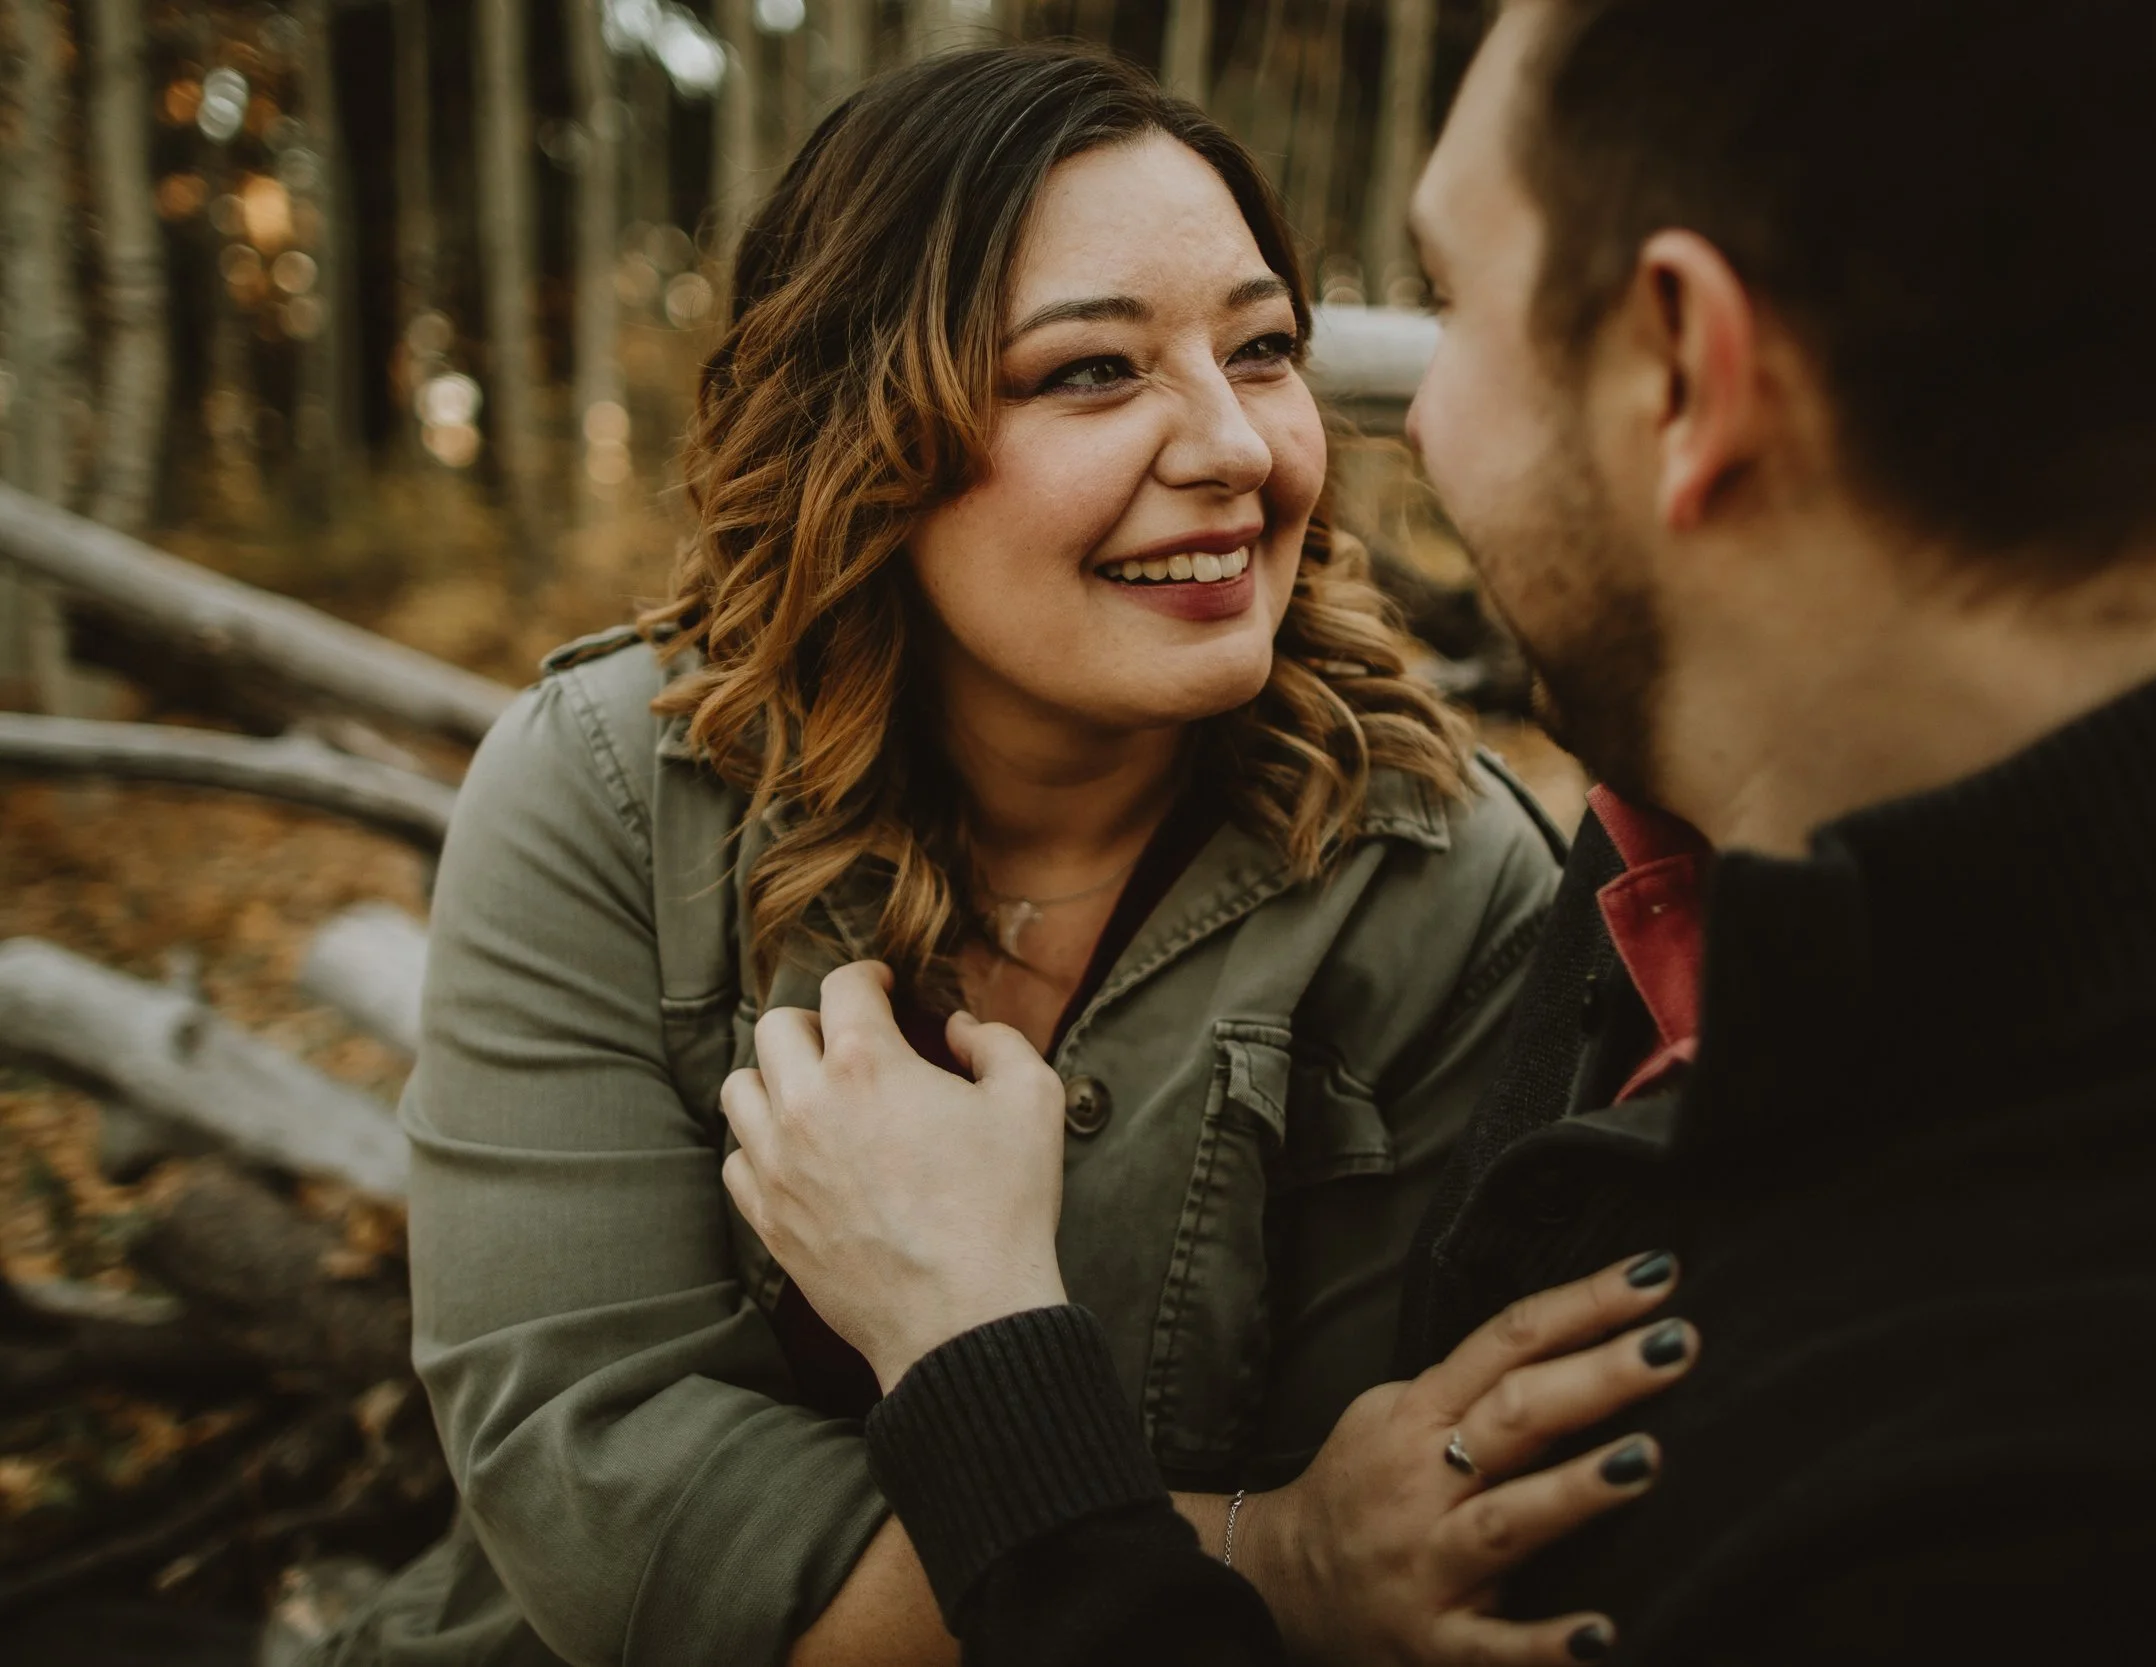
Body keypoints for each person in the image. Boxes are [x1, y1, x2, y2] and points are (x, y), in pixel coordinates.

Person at [724, 0, 2156, 1662]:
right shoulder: (1699, 876)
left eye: (1459, 302)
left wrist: (979, 1360)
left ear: (1684, 368)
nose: (1393, 421)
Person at [317, 47, 1580, 1667]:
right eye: (1089, 373)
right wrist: (1280, 1559)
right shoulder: (612, 798)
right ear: (866, 438)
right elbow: (607, 1502)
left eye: (1262, 350)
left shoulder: (1440, 874)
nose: (1238, 447)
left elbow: (1426, 1506)